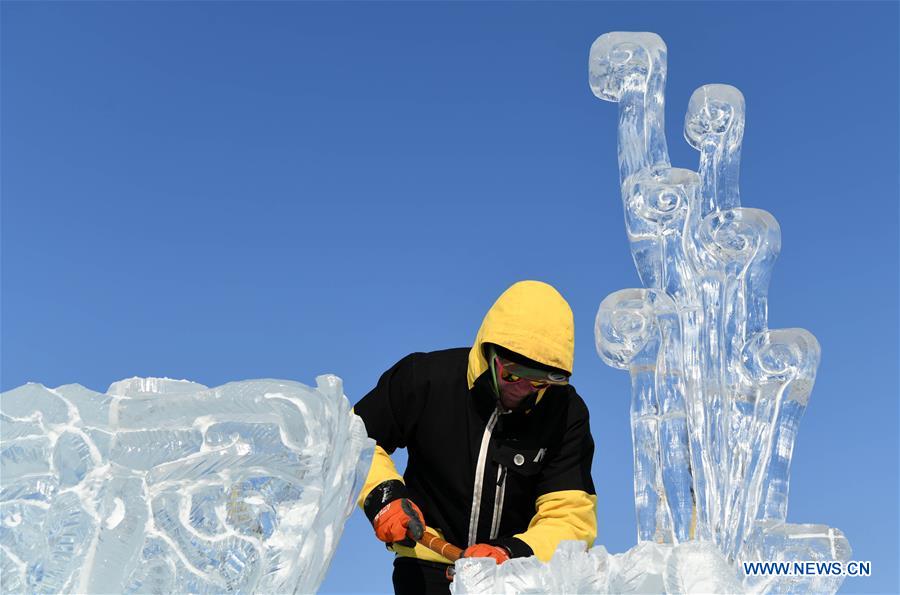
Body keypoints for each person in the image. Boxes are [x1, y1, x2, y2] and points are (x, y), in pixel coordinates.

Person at [354, 280, 597, 594]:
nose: (523, 389)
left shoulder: (566, 413)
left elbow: (570, 515)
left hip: (511, 578)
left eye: (539, 381)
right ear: (488, 353)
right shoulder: (425, 380)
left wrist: (510, 552)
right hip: (427, 568)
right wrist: (384, 496)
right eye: (511, 374)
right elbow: (354, 440)